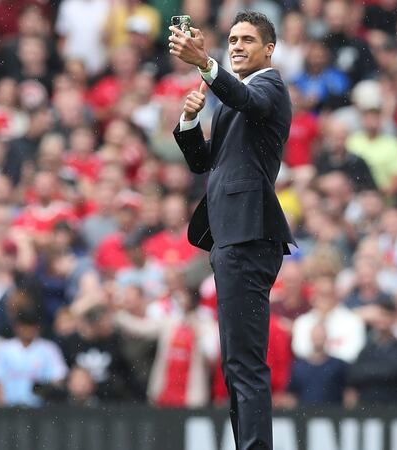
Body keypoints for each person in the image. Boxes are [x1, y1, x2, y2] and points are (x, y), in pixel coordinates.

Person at [168, 11, 295, 449]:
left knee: (245, 364)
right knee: (236, 363)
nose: (237, 45)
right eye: (233, 39)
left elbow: (250, 100)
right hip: (231, 237)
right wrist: (188, 123)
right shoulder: (231, 99)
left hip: (247, 235)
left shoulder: (269, 86)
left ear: (269, 49)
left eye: (247, 39)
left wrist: (206, 64)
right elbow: (204, 162)